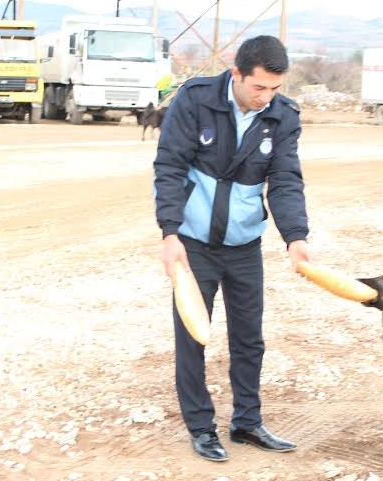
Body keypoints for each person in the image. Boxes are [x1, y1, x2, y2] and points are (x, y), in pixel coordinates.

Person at [152, 35, 312, 462]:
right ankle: (201, 428)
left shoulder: (281, 116)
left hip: (244, 245)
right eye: (259, 87)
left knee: (249, 340)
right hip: (194, 245)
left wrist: (296, 236)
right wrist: (170, 232)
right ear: (237, 73)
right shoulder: (196, 100)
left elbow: (285, 179)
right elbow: (169, 165)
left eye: (275, 89)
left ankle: (247, 421)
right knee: (192, 338)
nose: (267, 97)